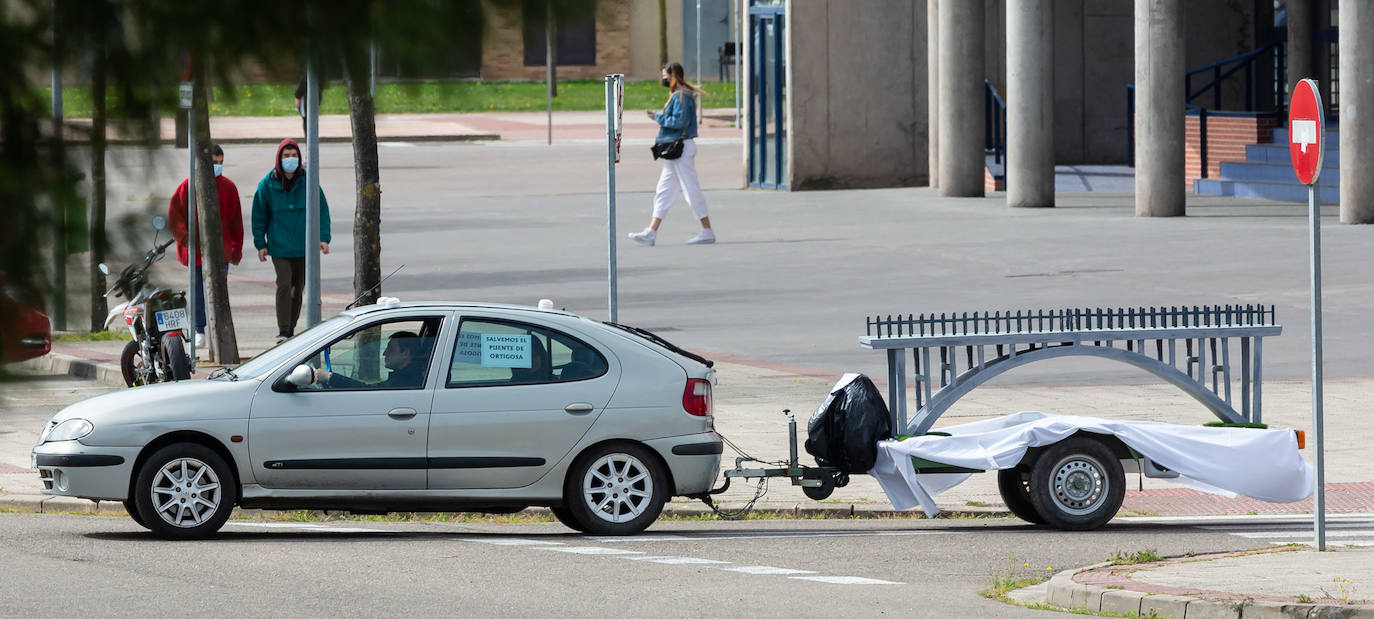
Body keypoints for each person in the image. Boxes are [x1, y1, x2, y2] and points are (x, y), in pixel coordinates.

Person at [251, 138, 330, 342]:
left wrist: (323, 238)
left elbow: (321, 210)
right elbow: (259, 215)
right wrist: (260, 244)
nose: (290, 159)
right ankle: (283, 329)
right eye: (286, 156)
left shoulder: (309, 181)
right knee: (284, 285)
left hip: (304, 247)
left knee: (298, 289)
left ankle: (291, 329)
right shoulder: (266, 185)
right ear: (279, 158)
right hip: (279, 247)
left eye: (294, 155)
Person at [628, 62, 716, 247]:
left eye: (665, 76)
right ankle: (651, 232)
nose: (664, 80)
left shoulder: (682, 96)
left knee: (691, 191)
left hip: (680, 149)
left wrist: (657, 117)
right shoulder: (680, 95)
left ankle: (706, 230)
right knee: (664, 191)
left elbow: (678, 122)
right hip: (676, 150)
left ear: (673, 76)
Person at [167, 143, 243, 348]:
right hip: (197, 251)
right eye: (213, 162)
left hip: (222, 251)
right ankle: (199, 328)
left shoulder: (229, 187)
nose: (217, 166)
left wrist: (236, 249)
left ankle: (219, 328)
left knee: (219, 291)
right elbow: (175, 217)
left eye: (220, 162)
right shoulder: (187, 187)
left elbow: (236, 221)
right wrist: (187, 240)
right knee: (197, 291)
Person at [313, 331, 429, 389]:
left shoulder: (407, 381)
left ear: (406, 353)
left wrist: (329, 377)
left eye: (391, 349)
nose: (384, 353)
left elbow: (367, 391)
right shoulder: (416, 375)